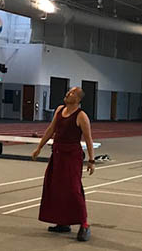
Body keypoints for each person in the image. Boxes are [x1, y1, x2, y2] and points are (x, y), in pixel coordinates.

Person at [32, 87, 95, 242]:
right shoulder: (60, 110)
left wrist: (92, 161)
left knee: (73, 190)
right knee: (55, 187)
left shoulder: (81, 117)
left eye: (72, 93)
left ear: (78, 99)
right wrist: (39, 147)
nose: (68, 94)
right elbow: (51, 130)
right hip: (58, 155)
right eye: (68, 91)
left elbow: (88, 139)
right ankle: (62, 222)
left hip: (72, 157)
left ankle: (84, 224)